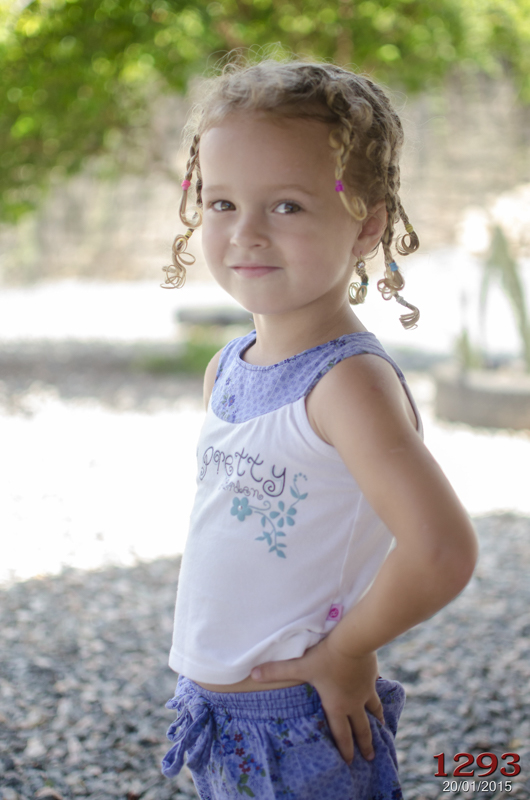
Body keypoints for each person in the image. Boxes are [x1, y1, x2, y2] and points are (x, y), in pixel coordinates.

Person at [160, 56, 478, 800]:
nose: (246, 234)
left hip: (297, 726)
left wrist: (347, 650)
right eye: (222, 203)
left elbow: (441, 549)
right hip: (212, 714)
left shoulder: (347, 385)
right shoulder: (227, 368)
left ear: (366, 225)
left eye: (287, 206)